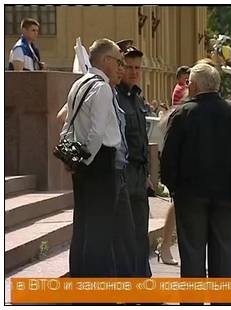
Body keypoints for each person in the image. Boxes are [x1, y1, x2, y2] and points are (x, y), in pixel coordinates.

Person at [160, 63, 231, 279]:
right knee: (222, 251)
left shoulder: (183, 113)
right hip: (226, 193)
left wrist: (172, 186)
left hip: (190, 194)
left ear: (193, 86)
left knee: (192, 253)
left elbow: (168, 157)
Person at [60, 38, 123, 276]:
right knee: (100, 230)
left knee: (83, 225)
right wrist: (85, 162)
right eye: (118, 60)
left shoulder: (79, 84)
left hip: (82, 159)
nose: (121, 67)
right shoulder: (102, 87)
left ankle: (79, 282)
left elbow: (68, 124)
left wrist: (72, 161)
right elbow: (97, 132)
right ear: (105, 60)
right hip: (98, 161)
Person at [115, 43, 152, 277]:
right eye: (129, 67)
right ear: (120, 67)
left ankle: (143, 280)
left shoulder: (137, 98)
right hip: (123, 174)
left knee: (141, 232)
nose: (134, 72)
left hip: (139, 175)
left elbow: (142, 141)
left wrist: (148, 174)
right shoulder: (113, 96)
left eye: (137, 67)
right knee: (125, 234)